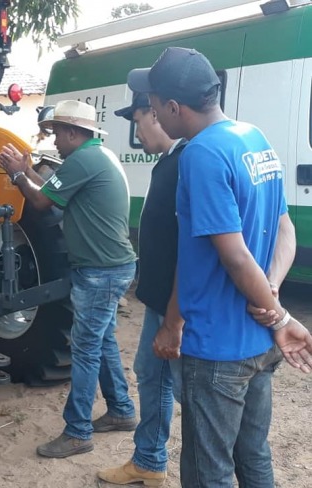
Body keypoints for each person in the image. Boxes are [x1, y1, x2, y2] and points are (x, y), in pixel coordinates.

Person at [128, 47, 312, 487]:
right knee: (253, 456)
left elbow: (232, 255)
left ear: (174, 108)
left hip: (216, 348)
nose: (152, 116)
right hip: (256, 341)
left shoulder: (201, 154)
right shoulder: (254, 137)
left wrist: (279, 314)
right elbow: (285, 227)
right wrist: (271, 295)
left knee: (207, 471)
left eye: (153, 108)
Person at [0, 100, 138, 458]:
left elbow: (42, 203)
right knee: (102, 340)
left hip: (100, 271)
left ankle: (77, 432)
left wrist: (16, 173)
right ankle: (121, 410)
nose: (54, 140)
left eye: (57, 133)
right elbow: (53, 193)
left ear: (75, 133)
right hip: (114, 267)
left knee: (85, 349)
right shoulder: (98, 157)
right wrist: (29, 170)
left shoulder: (82, 161)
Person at [97, 92, 185, 486]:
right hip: (159, 299)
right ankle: (149, 458)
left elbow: (193, 246)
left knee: (180, 384)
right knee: (152, 375)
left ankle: (157, 459)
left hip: (173, 304)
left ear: (157, 111)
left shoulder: (185, 162)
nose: (136, 131)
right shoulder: (168, 162)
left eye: (137, 121)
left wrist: (173, 317)